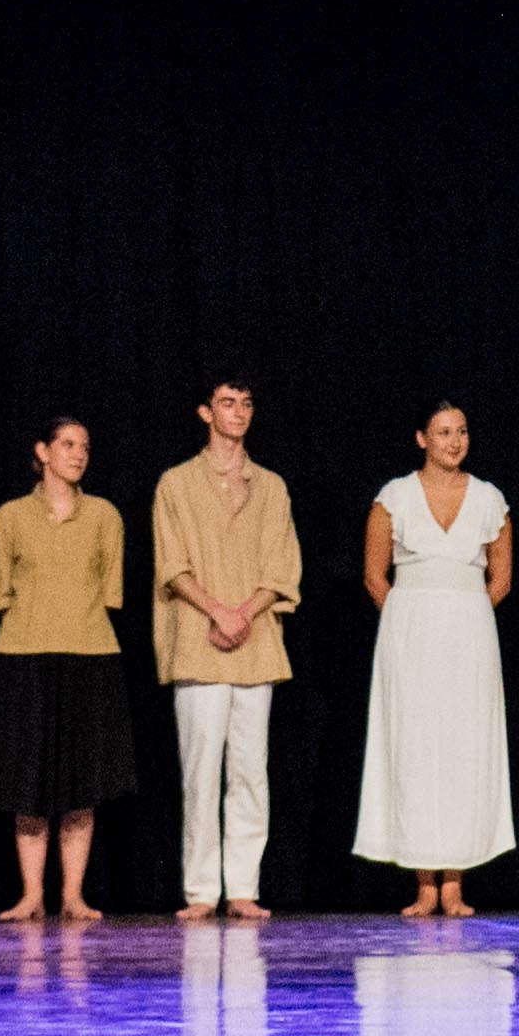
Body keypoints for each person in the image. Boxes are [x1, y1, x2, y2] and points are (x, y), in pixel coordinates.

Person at [354, 402, 518, 914]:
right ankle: (425, 884)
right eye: (444, 432)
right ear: (421, 438)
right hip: (410, 634)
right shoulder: (394, 498)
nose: (455, 440)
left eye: (462, 431)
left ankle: (456, 884)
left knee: (465, 748)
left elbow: (501, 579)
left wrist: (461, 614)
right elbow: (375, 575)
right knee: (415, 746)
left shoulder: (490, 499)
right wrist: (411, 616)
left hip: (470, 632)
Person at [0, 415, 135, 920]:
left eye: (84, 445)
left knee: (81, 786)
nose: (78, 454)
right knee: (28, 785)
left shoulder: (105, 515)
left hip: (90, 656)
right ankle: (32, 895)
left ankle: (72, 896)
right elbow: (1, 590)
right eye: (67, 444)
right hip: (25, 656)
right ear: (42, 451)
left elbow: (110, 590)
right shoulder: (10, 517)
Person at [153, 381, 302, 923]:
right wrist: (219, 610)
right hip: (199, 641)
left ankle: (242, 886)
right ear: (204, 412)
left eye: (246, 404)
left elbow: (283, 567)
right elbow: (171, 563)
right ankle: (199, 888)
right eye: (227, 404)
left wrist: (245, 612)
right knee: (200, 771)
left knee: (249, 771)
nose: (239, 413)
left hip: (255, 641)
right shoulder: (176, 483)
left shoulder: (270, 485)